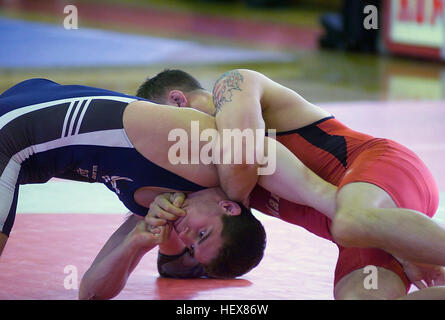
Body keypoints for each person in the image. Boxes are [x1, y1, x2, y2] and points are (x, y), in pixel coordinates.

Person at [133, 69, 445, 300]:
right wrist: (160, 212)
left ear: (176, 100)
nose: (166, 145)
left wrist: (210, 196)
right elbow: (173, 265)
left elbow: (242, 153)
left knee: (351, 221)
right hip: (370, 230)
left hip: (383, 173)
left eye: (163, 126)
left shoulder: (233, 85)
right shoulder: (204, 174)